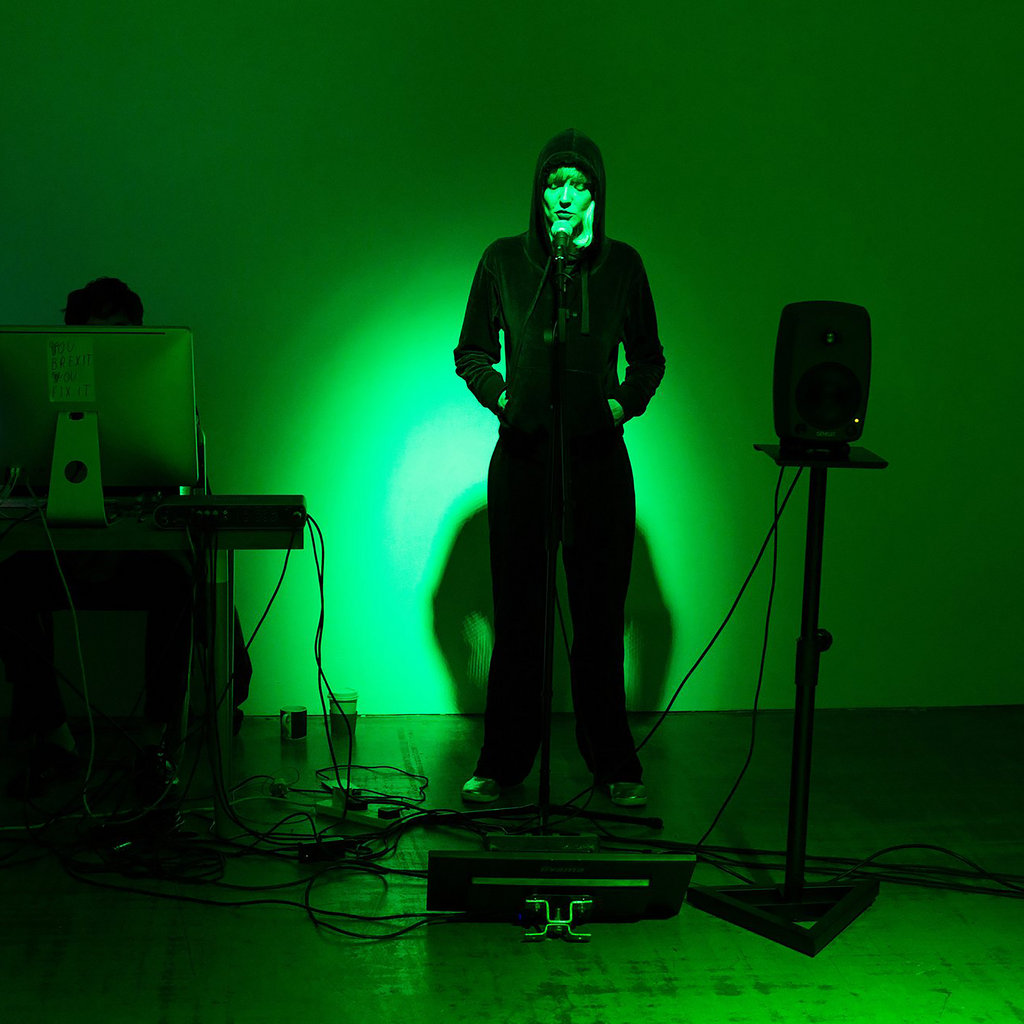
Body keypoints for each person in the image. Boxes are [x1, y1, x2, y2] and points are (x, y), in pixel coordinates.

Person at [454, 130, 666, 807]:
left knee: (599, 621)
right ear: (538, 195)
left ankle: (613, 764)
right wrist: (505, 399)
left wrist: (618, 405)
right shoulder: (504, 260)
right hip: (523, 461)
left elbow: (650, 358)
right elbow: (471, 351)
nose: (566, 197)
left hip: (598, 464)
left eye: (579, 185)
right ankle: (504, 762)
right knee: (520, 619)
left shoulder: (623, 266)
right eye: (555, 184)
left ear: (597, 196)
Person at [0, 278, 209, 805]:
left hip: (133, 557)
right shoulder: (41, 388)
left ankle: (155, 743)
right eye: (96, 332)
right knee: (6, 587)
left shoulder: (157, 394)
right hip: (55, 552)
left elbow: (178, 476)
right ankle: (54, 736)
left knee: (178, 585)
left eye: (121, 333)